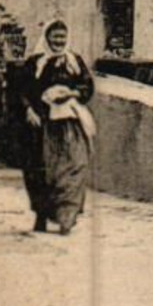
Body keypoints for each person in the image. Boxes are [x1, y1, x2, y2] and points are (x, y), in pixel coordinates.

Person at [17, 21, 96, 235]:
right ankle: (41, 215)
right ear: (47, 38)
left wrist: (73, 94)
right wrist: (29, 110)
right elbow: (22, 90)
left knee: (74, 166)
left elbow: (87, 86)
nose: (59, 41)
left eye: (62, 37)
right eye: (55, 37)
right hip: (43, 124)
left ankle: (66, 217)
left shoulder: (74, 61)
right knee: (42, 171)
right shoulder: (35, 63)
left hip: (69, 123)